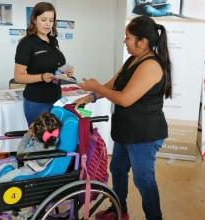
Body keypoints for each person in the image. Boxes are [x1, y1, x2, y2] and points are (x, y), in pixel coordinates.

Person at [74, 15, 172, 220]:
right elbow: (112, 85)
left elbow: (125, 99)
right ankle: (119, 209)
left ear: (142, 42)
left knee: (144, 180)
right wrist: (91, 96)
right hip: (126, 131)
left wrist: (96, 87)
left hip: (144, 135)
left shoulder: (151, 65)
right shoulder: (133, 59)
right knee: (117, 169)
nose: (124, 41)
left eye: (127, 37)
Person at [14, 2, 73, 126]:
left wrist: (65, 71)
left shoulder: (53, 40)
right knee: (40, 142)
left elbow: (56, 66)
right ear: (34, 20)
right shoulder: (27, 43)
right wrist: (41, 77)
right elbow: (18, 76)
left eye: (51, 20)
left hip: (56, 98)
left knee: (55, 140)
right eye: (43, 19)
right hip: (36, 102)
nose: (48, 24)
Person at [0, 112, 61, 187]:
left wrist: (28, 135)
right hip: (28, 161)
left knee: (1, 181)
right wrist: (34, 133)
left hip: (30, 169)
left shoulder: (38, 146)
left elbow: (20, 153)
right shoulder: (52, 137)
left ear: (35, 134)